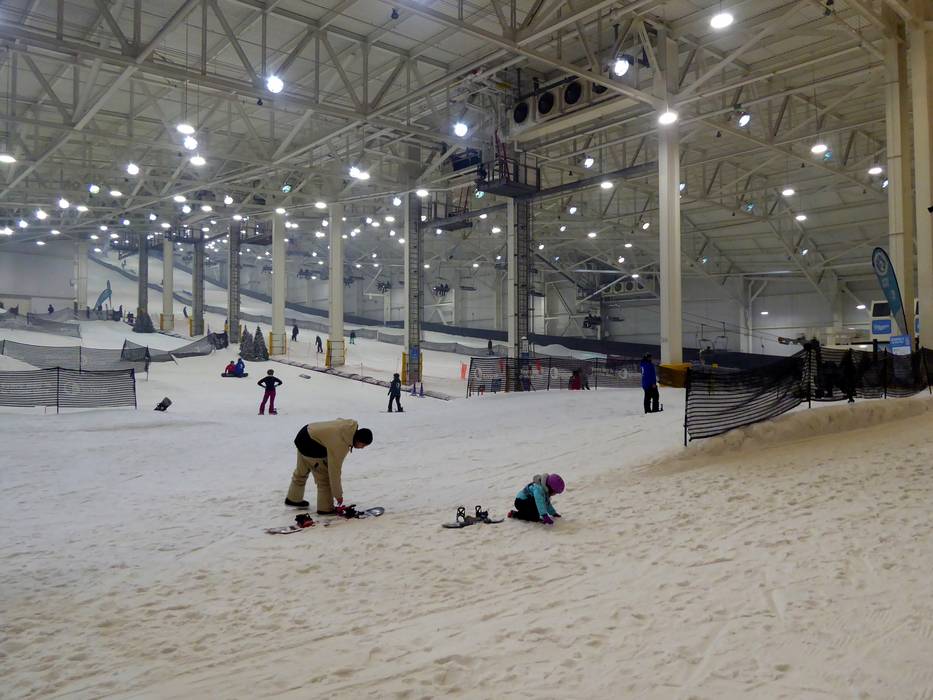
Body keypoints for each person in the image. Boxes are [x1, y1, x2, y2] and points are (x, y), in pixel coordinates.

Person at [285, 419, 373, 513]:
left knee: (301, 471)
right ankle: (325, 509)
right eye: (363, 445)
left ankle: (293, 499)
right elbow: (334, 471)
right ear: (358, 440)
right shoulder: (341, 444)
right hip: (310, 444)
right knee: (324, 479)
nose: (362, 448)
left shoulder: (347, 427)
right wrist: (338, 495)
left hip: (305, 433)